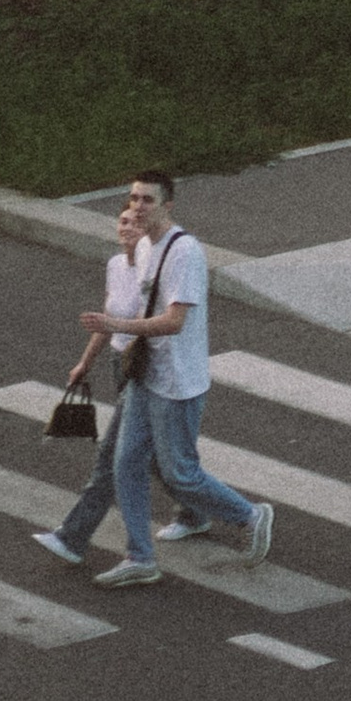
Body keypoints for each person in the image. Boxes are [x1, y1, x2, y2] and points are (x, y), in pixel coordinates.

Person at [109, 173, 274, 568]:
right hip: (148, 373)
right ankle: (140, 557)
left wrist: (118, 327)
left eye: (147, 200)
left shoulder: (184, 252)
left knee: (180, 472)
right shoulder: (146, 246)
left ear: (168, 205)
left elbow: (174, 321)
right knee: (127, 461)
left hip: (178, 381)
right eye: (133, 198)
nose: (137, 206)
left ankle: (250, 515)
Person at [32, 185, 165, 585]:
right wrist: (83, 363)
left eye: (135, 222)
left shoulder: (150, 270)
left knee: (114, 455)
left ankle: (73, 537)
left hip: (142, 367)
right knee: (152, 453)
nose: (127, 226)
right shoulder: (114, 266)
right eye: (123, 220)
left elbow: (148, 324)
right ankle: (195, 510)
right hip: (117, 363)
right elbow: (107, 320)